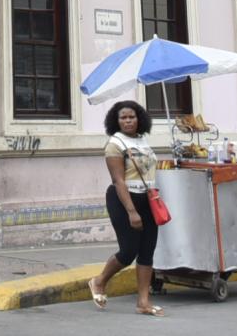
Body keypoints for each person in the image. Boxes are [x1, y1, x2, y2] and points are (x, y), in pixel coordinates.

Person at [88, 99, 163, 317]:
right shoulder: (115, 143)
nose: (128, 121)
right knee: (129, 250)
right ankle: (99, 281)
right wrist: (131, 211)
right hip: (124, 199)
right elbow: (118, 180)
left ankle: (143, 302)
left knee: (147, 251)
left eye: (132, 117)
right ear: (116, 121)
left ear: (139, 119)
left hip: (148, 200)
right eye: (124, 117)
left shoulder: (142, 140)